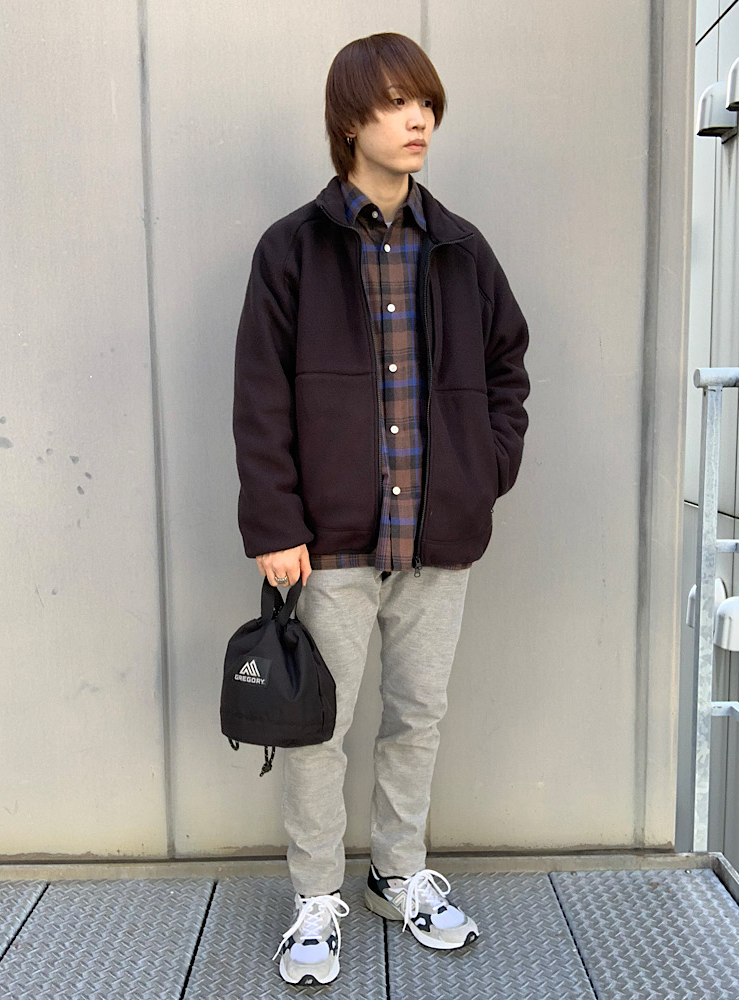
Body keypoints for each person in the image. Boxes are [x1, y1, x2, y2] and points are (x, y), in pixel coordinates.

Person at [232, 31, 530, 987]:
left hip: (438, 541)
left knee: (417, 718)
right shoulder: (291, 249)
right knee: (317, 728)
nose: (418, 120)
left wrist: (482, 471)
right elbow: (260, 396)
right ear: (349, 119)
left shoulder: (462, 249)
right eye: (397, 102)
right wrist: (275, 522)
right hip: (329, 548)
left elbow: (507, 372)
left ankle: (397, 876)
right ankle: (316, 895)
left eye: (427, 103)